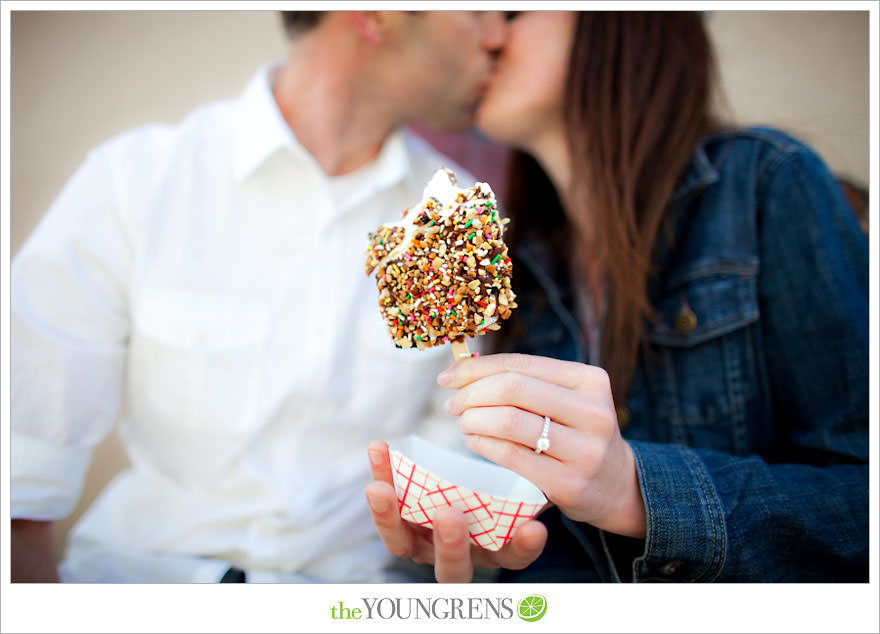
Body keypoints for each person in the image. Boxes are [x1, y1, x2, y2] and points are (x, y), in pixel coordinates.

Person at [366, 11, 868, 582]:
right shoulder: (521, 260)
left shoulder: (766, 183)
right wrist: (491, 545)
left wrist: (635, 489)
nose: (490, 37)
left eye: (512, 13)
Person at [11, 10, 509, 583]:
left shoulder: (449, 217)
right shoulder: (139, 182)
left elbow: (452, 448)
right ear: (379, 15)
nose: (499, 36)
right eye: (479, 9)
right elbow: (19, 477)